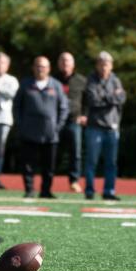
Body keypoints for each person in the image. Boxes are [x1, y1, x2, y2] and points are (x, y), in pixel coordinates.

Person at [13, 56, 68, 198]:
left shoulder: (56, 85)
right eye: (37, 66)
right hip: (29, 132)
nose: (40, 69)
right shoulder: (25, 84)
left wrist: (57, 127)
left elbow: (64, 108)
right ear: (33, 67)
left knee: (48, 166)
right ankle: (29, 190)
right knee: (28, 164)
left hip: (50, 133)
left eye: (43, 66)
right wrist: (20, 124)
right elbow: (17, 106)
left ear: (49, 69)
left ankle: (46, 191)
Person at [81, 51, 126, 200]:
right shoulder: (91, 80)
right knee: (91, 161)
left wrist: (107, 97)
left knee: (111, 163)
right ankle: (89, 190)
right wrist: (112, 97)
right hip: (95, 127)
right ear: (97, 65)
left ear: (111, 66)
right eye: (101, 63)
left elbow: (122, 98)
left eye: (106, 64)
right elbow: (93, 100)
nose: (104, 67)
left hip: (112, 128)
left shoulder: (116, 80)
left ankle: (109, 191)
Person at [54, 52, 87, 192]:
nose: (65, 63)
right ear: (58, 64)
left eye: (68, 61)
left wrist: (85, 115)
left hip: (74, 121)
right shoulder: (52, 80)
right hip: (55, 121)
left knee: (76, 152)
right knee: (52, 151)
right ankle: (48, 180)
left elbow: (88, 101)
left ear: (73, 64)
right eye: (62, 61)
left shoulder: (81, 80)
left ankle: (74, 181)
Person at [0, 52, 18, 190]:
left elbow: (11, 94)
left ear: (8, 65)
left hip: (4, 119)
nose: (0, 65)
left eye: (3, 62)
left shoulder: (12, 80)